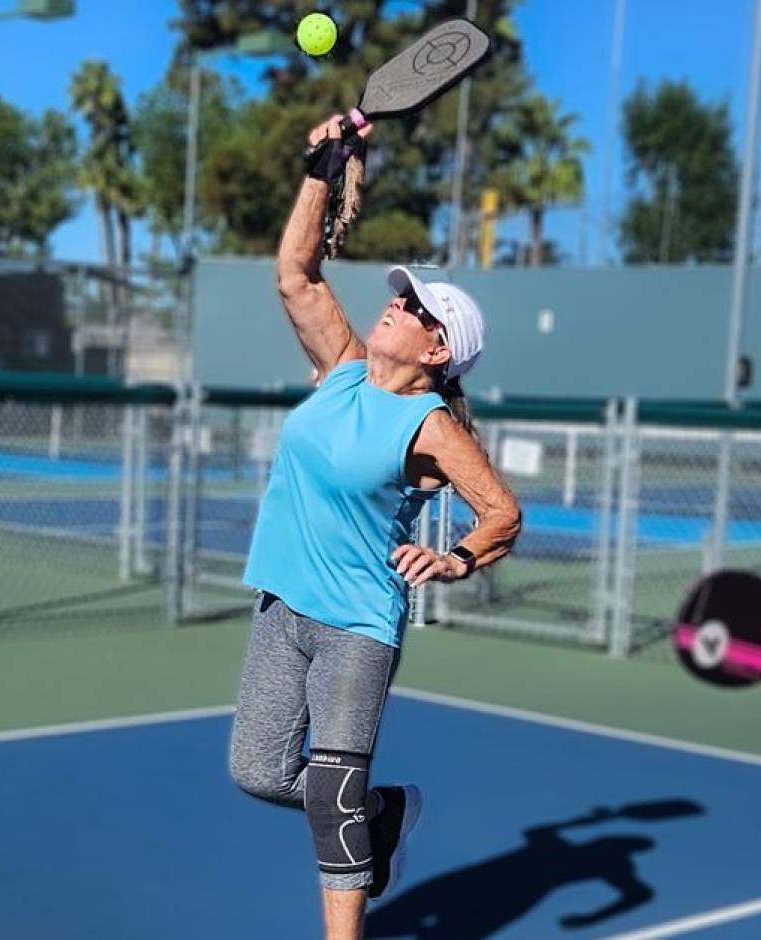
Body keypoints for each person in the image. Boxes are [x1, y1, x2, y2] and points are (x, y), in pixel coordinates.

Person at [228, 114, 523, 940]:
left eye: (413, 305)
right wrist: (325, 167)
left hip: (359, 623)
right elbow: (296, 274)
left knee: (328, 797)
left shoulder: (431, 427)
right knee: (257, 771)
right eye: (398, 295)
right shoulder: (343, 369)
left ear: (438, 347)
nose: (394, 304)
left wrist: (458, 559)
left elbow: (501, 511)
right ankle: (384, 810)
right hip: (282, 605)